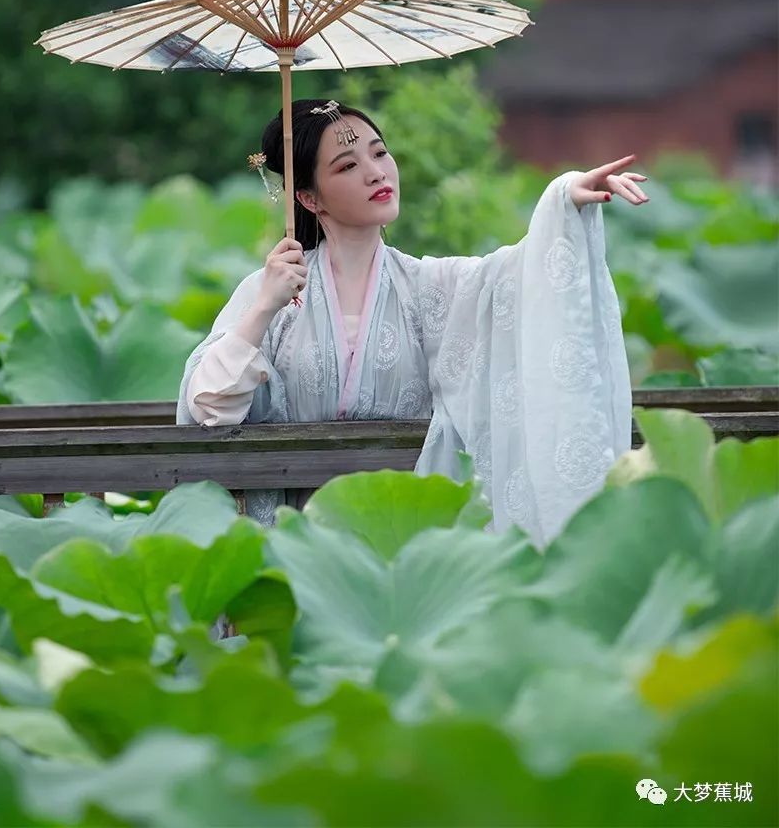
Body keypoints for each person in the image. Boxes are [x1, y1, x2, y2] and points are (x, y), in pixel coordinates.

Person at [176, 98, 648, 549]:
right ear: (308, 197)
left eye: (379, 153)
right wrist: (264, 307)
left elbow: (518, 276)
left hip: (404, 542)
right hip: (299, 547)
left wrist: (564, 202)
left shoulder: (429, 287)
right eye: (347, 165)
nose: (376, 171)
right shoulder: (272, 289)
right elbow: (210, 406)